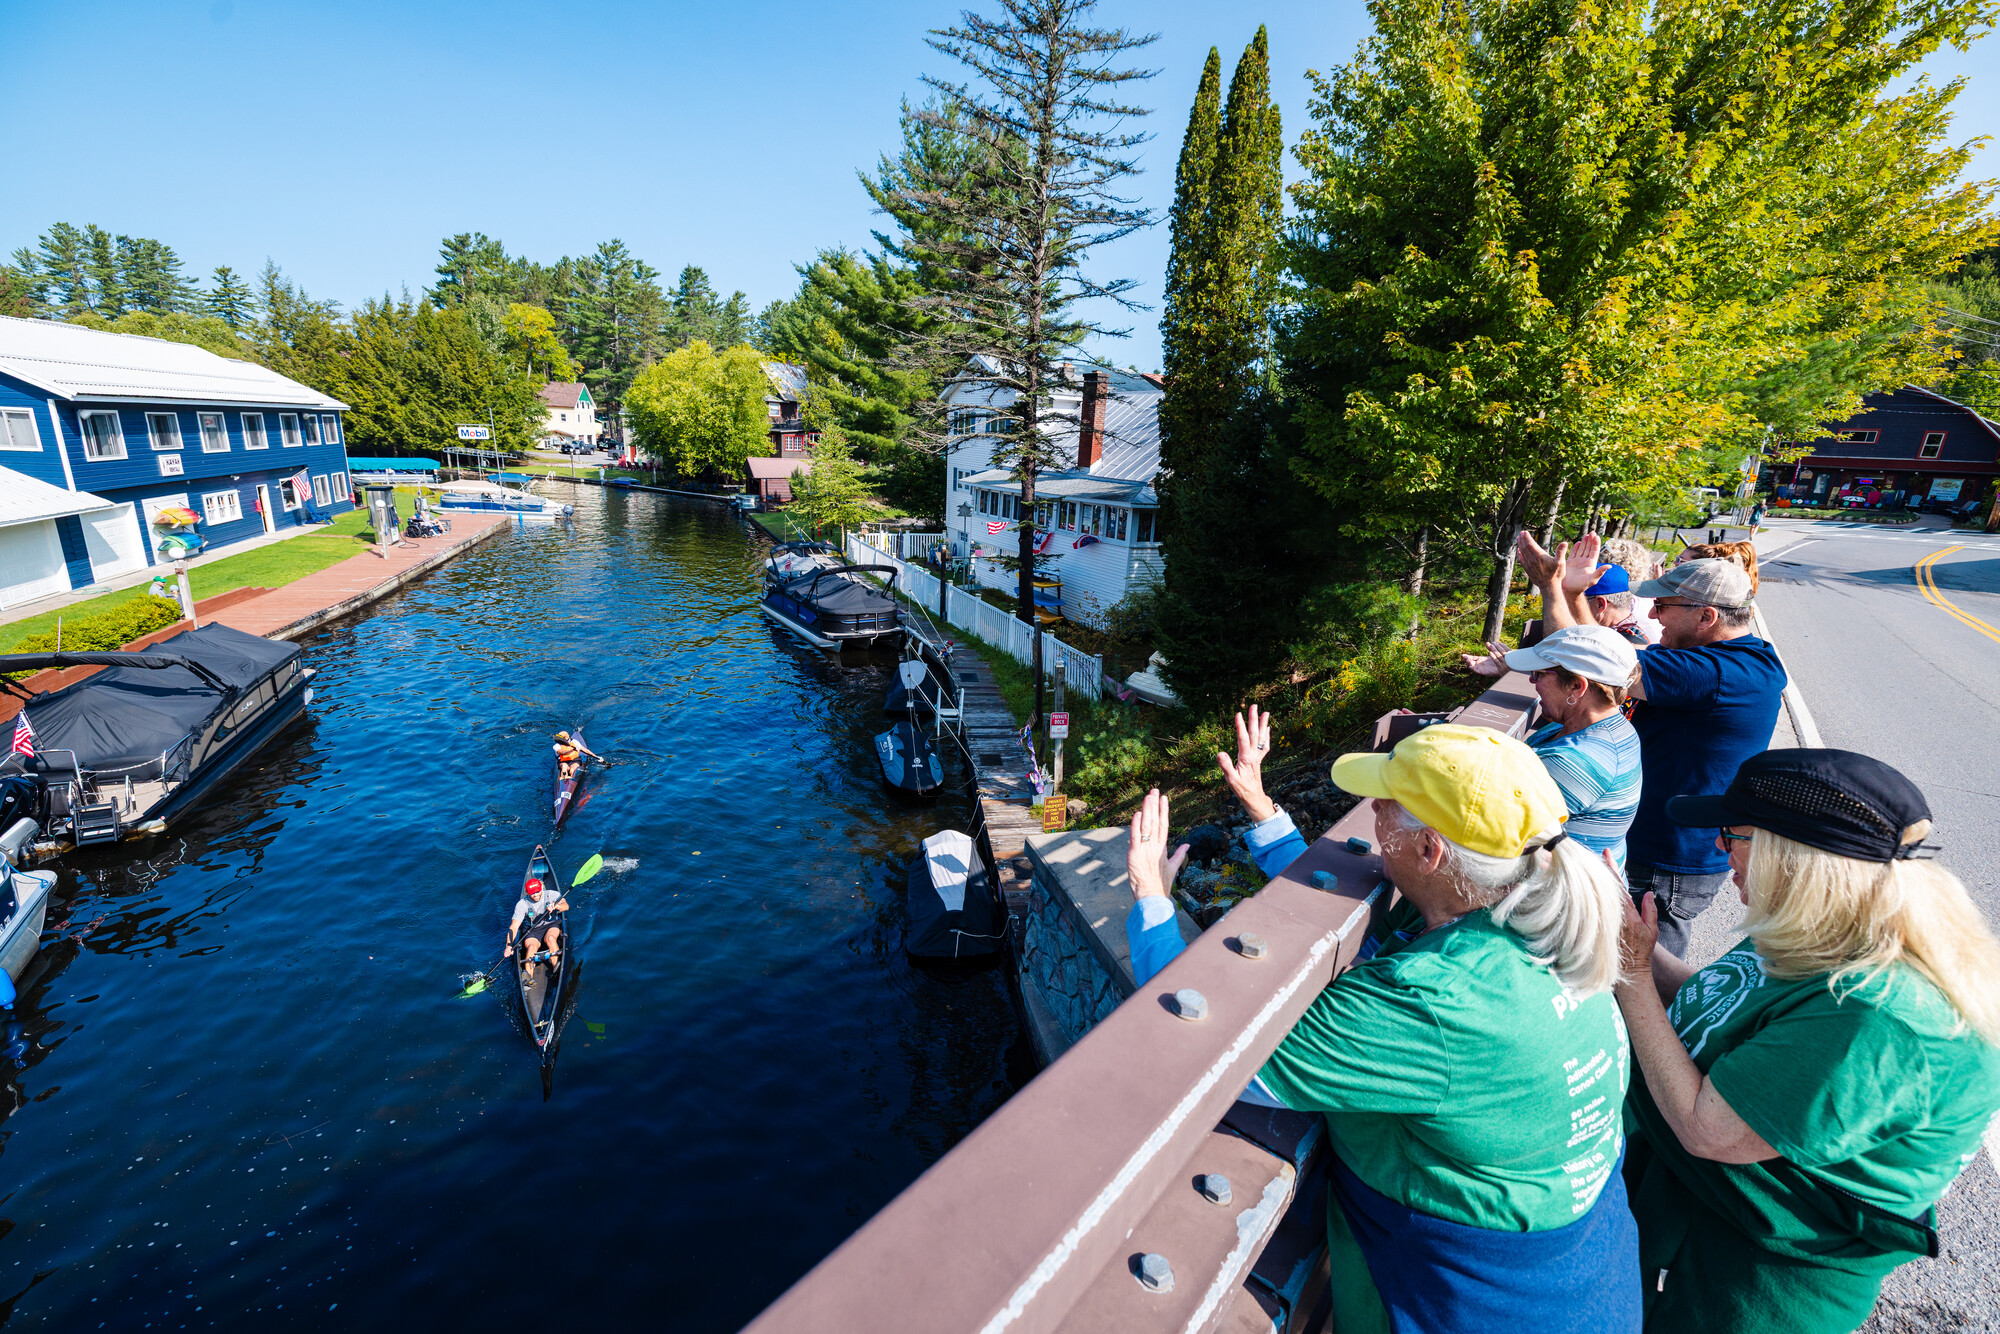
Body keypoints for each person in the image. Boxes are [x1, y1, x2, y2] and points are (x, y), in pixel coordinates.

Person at [1126, 724, 1641, 1334]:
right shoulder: (1545, 922)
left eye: (1388, 805)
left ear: (1430, 852)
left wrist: (1151, 897)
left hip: (1465, 1303)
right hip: (1586, 1283)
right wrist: (1264, 815)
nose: (1372, 809)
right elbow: (1372, 936)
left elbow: (1218, 1052)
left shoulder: (1431, 1001)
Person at [1614, 749, 2000, 1332]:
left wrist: (1633, 976)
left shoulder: (1876, 1016)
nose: (1720, 848)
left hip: (1752, 1281)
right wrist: (1634, 942)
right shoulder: (1824, 926)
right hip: (1709, 1228)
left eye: (1733, 834)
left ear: (1792, 856)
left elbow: (1707, 1128)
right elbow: (1731, 1006)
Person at [1522, 533, 1787, 958]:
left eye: (1663, 606)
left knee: (1636, 967)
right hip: (1680, 848)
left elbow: (1584, 660)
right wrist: (1573, 594)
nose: (1653, 614)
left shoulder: (1708, 673)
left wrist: (1551, 587)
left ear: (1706, 616)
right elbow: (1600, 650)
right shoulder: (1751, 659)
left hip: (1668, 859)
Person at [504, 874, 569, 984]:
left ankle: (557, 970)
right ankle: (528, 979)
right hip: (532, 930)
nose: (536, 894)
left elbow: (566, 906)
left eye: (538, 891)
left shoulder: (552, 895)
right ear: (527, 892)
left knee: (551, 939)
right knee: (531, 947)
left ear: (542, 889)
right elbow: (514, 927)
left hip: (551, 924)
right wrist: (508, 946)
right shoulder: (522, 904)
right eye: (532, 892)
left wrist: (556, 906)